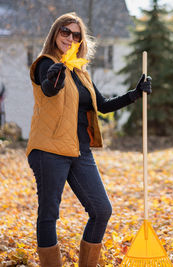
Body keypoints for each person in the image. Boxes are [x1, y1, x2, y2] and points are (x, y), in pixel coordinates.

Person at [26, 12, 151, 266]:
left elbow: (102, 105)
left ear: (80, 40)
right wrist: (54, 77)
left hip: (80, 151)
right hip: (49, 149)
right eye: (65, 32)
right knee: (49, 214)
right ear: (55, 34)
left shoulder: (80, 72)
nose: (70, 38)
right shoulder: (44, 64)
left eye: (76, 34)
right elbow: (49, 90)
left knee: (101, 210)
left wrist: (135, 94)